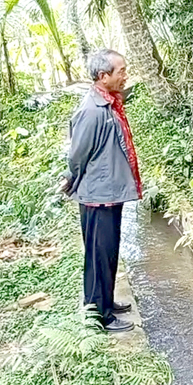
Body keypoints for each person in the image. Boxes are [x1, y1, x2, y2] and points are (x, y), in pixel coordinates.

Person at [63, 49, 140, 333]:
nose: (125, 75)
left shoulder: (109, 103)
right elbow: (77, 155)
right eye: (121, 71)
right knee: (97, 255)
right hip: (97, 197)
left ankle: (106, 302)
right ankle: (100, 316)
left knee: (108, 251)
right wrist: (71, 178)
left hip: (109, 193)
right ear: (102, 76)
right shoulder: (92, 110)